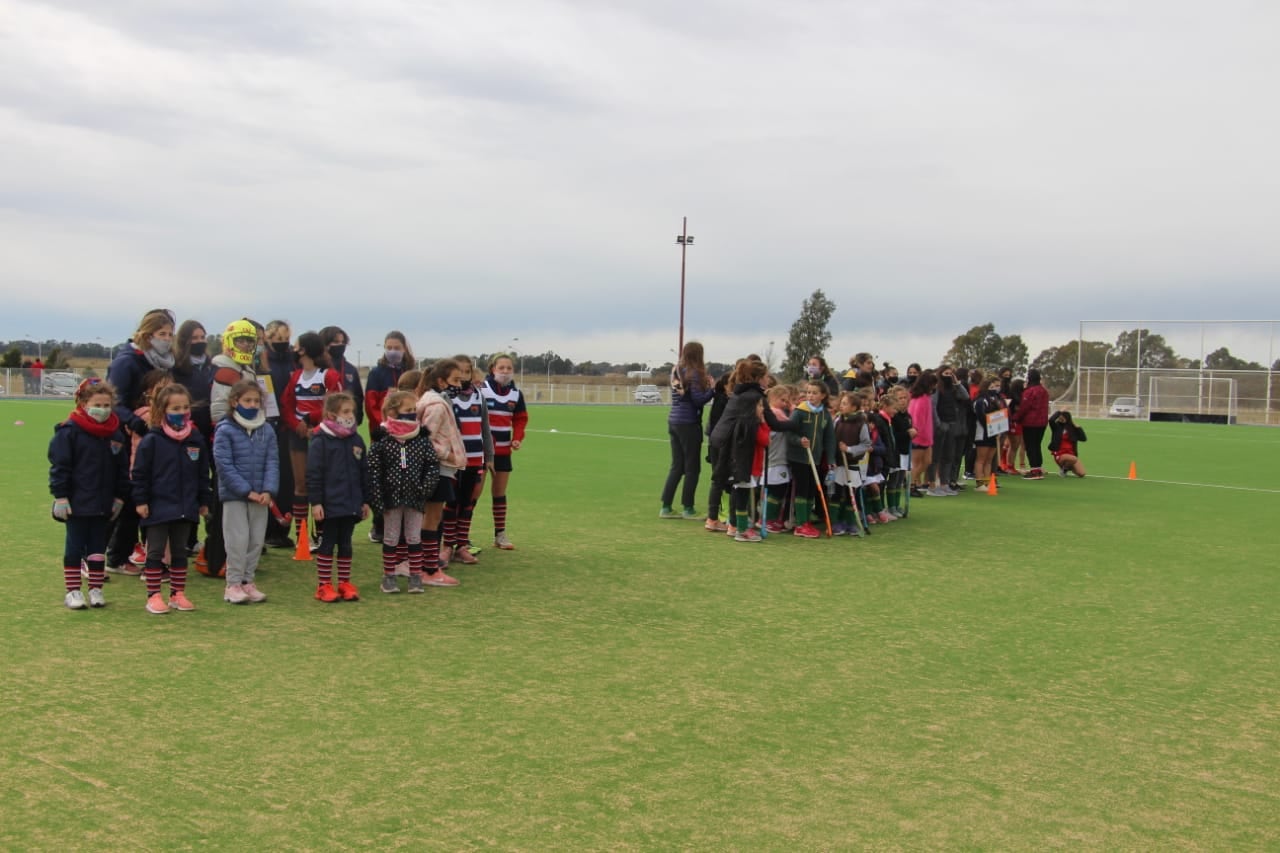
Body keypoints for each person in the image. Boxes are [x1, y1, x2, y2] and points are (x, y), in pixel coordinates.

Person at [48, 379, 130, 609]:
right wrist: (61, 496)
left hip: (104, 503)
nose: (103, 410)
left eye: (107, 405)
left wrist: (119, 498)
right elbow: (60, 467)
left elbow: (122, 469)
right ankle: (73, 591)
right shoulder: (69, 432)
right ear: (84, 403)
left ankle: (95, 589)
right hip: (76, 502)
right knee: (74, 547)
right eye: (97, 404)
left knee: (97, 548)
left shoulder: (116, 434)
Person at [132, 384, 211, 614]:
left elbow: (202, 473)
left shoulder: (195, 439)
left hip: (186, 505)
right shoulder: (152, 440)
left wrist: (203, 500)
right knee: (155, 552)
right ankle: (154, 595)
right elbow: (140, 474)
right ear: (163, 410)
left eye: (185, 407)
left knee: (179, 552)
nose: (182, 412)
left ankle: (177, 594)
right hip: (157, 506)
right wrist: (141, 501)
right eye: (176, 408)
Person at [708, 358, 799, 542]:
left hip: (724, 443)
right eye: (766, 376)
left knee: (734, 485)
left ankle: (732, 525)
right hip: (736, 448)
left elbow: (768, 423)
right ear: (758, 378)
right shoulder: (753, 397)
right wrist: (798, 421)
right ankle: (740, 528)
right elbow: (765, 425)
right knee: (740, 486)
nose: (768, 380)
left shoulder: (742, 393)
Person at [213, 380, 279, 604]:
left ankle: (248, 582)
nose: (252, 405)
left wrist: (268, 490)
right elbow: (224, 466)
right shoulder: (225, 429)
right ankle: (232, 585)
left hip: (261, 496)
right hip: (235, 496)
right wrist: (245, 490)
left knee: (255, 540)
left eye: (256, 401)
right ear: (234, 402)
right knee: (237, 540)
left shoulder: (266, 429)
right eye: (247, 400)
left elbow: (272, 462)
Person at [368, 391, 440, 594]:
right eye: (408, 410)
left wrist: (425, 489)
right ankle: (388, 576)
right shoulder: (382, 439)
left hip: (415, 498)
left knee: (413, 537)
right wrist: (377, 497)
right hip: (390, 499)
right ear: (393, 411)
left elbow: (432, 465)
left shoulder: (421, 438)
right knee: (390, 537)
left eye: (414, 410)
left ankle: (415, 576)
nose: (412, 414)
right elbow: (373, 469)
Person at [306, 392, 370, 603]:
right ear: (332, 414)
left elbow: (364, 472)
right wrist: (316, 503)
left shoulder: (356, 439)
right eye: (346, 411)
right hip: (329, 504)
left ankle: (344, 582)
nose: (350, 415)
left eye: (352, 411)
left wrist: (365, 500)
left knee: (346, 543)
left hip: (351, 504)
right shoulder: (320, 439)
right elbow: (313, 474)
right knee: (327, 544)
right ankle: (323, 585)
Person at [281, 332, 342, 546]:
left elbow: (334, 405)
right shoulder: (296, 376)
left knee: (322, 484)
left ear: (304, 349)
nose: (292, 349)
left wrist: (311, 422)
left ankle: (323, 534)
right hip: (298, 435)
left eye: (296, 345)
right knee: (300, 486)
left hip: (322, 435)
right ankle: (301, 537)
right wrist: (296, 425)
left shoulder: (329, 375)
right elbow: (286, 404)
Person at [416, 360, 467, 586]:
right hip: (436, 469)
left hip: (440, 468)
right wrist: (448, 454)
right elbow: (423, 439)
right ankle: (428, 570)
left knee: (431, 519)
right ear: (440, 381)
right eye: (455, 380)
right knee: (432, 520)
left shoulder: (437, 400)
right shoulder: (436, 405)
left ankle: (424, 566)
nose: (459, 384)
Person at [443, 355, 492, 566]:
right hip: (454, 461)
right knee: (451, 503)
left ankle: (462, 545)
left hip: (475, 459)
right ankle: (447, 545)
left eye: (467, 371)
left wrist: (488, 456)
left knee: (468, 503)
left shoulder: (478, 396)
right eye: (459, 372)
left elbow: (485, 428)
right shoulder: (446, 397)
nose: (463, 376)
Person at [659, 341, 715, 520]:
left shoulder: (676, 370)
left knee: (677, 466)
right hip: (689, 423)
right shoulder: (695, 373)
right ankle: (688, 508)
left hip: (674, 421)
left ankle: (666, 507)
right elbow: (698, 400)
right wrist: (713, 390)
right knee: (692, 468)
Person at [479, 353, 527, 551]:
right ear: (493, 369)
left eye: (509, 368)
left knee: (499, 493)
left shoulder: (516, 394)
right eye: (502, 368)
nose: (505, 372)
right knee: (472, 495)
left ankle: (500, 535)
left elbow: (520, 418)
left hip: (503, 451)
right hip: (481, 451)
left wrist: (517, 437)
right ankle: (461, 538)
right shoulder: (481, 389)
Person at [106, 309, 176, 434]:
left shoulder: (166, 363)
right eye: (162, 334)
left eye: (170, 335)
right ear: (148, 336)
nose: (167, 339)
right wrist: (136, 423)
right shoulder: (126, 363)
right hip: (130, 432)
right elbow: (114, 401)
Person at [262, 320, 296, 549]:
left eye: (286, 339)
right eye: (278, 339)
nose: (283, 344)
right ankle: (267, 531)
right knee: (269, 478)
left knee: (288, 480)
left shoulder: (294, 361)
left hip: (289, 428)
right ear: (268, 339)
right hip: (268, 426)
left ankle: (283, 530)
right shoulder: (263, 362)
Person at [786, 380, 836, 538]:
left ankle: (806, 521)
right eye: (808, 392)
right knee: (802, 489)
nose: (810, 396)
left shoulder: (825, 414)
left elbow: (829, 438)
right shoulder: (799, 412)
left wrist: (831, 459)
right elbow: (789, 433)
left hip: (814, 458)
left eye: (814, 393)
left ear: (822, 395)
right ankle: (800, 524)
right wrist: (799, 440)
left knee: (811, 490)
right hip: (799, 457)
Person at [319, 326, 364, 426]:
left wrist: (357, 418)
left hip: (348, 424)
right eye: (335, 342)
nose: (340, 345)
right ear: (324, 344)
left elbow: (358, 397)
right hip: (323, 424)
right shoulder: (318, 369)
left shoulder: (351, 369)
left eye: (342, 342)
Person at [972, 377, 1007, 490]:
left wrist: (998, 429)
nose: (993, 389)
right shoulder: (980, 401)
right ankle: (980, 483)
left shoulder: (994, 400)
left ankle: (987, 482)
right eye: (990, 387)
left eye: (994, 387)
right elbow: (981, 417)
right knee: (981, 459)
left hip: (993, 433)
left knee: (989, 460)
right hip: (982, 433)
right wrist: (990, 428)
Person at [1015, 368, 1050, 479]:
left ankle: (1034, 471)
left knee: (1030, 446)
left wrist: (1016, 418)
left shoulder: (1030, 391)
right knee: (1037, 445)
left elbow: (1024, 407)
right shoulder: (1044, 391)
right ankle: (1038, 468)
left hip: (1030, 422)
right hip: (1042, 422)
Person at [907, 371, 937, 496]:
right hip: (919, 436)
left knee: (927, 461)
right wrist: (917, 431)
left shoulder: (923, 397)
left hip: (926, 435)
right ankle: (911, 484)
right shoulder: (921, 399)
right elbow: (918, 418)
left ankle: (912, 482)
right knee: (918, 463)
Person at [1048, 409, 1087, 477]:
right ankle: (1064, 469)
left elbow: (1083, 439)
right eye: (1059, 417)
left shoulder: (1071, 428)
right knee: (1073, 459)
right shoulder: (1056, 427)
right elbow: (1051, 420)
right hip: (1060, 453)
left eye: (1062, 417)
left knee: (1081, 474)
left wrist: (1078, 428)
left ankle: (1067, 467)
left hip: (1071, 453)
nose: (1060, 418)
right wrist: (1059, 411)